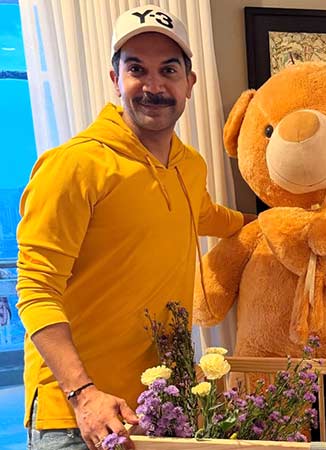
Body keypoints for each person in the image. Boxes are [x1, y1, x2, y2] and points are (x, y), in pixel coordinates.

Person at [16, 5, 254, 450]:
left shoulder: (189, 164)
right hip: (78, 417)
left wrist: (265, 224)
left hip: (160, 409)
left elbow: (204, 214)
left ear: (190, 83)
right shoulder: (74, 165)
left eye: (168, 70)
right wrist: (83, 394)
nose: (154, 86)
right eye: (137, 69)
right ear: (115, 79)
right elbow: (35, 289)